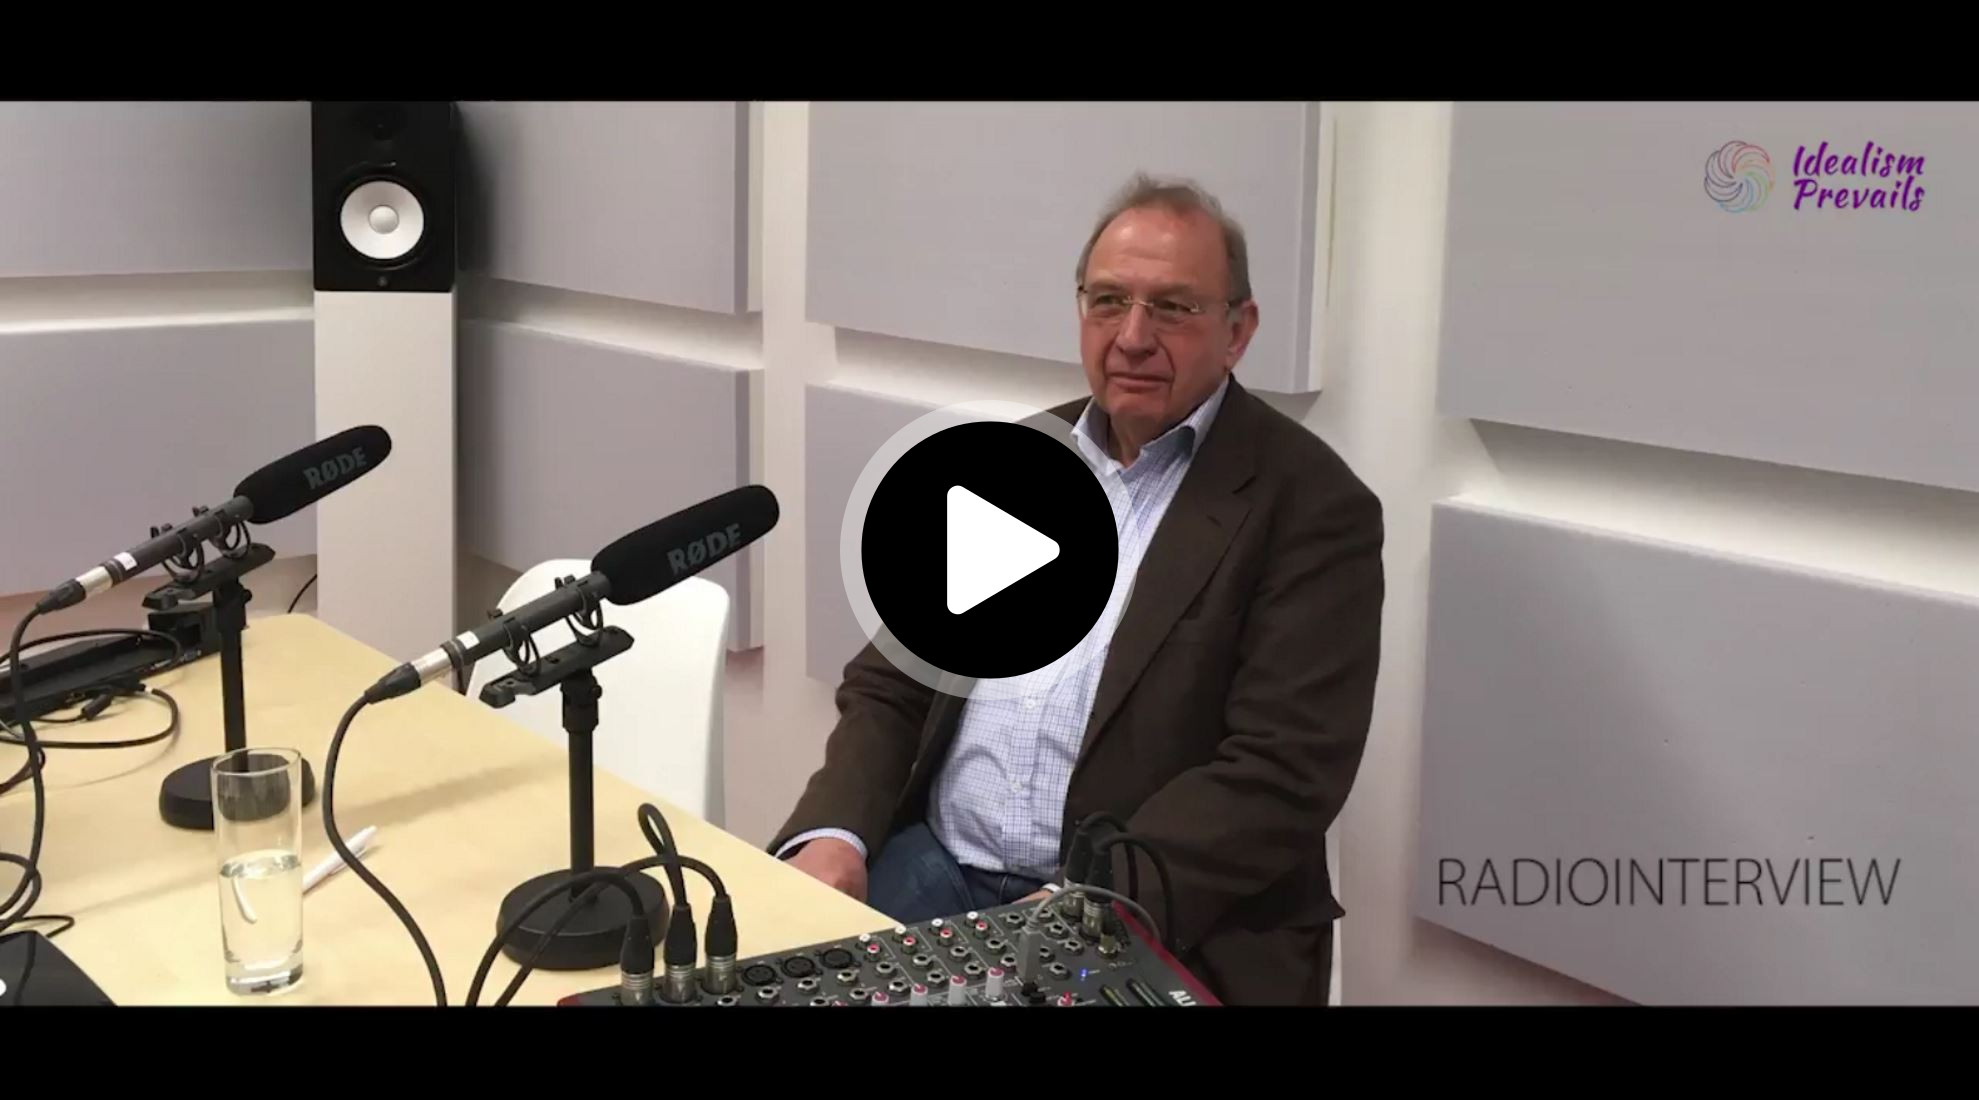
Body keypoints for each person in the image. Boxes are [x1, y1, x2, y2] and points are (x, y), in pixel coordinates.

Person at [771, 172, 1384, 1005]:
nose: (1131, 337)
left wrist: (1088, 902)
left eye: (1172, 307)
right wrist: (835, 833)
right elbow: (892, 681)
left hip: (1147, 911)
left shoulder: (1310, 506)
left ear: (1237, 331)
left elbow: (1281, 771)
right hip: (936, 865)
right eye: (1108, 301)